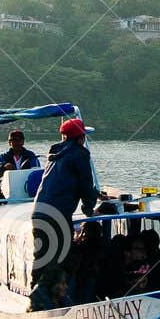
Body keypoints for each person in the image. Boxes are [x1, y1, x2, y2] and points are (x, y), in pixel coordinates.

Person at [27, 118, 101, 309]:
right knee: (63, 257)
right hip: (58, 213)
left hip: (39, 212)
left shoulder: (55, 154)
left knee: (42, 256)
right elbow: (85, 183)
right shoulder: (80, 154)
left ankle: (34, 294)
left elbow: (67, 180)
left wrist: (95, 194)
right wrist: (88, 208)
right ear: (81, 137)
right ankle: (40, 294)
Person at [0, 129, 39, 197]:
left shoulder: (31, 155)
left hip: (27, 189)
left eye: (19, 140)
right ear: (9, 142)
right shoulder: (4, 156)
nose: (17, 143)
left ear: (23, 142)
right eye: (13, 140)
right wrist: (3, 166)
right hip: (9, 189)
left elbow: (36, 171)